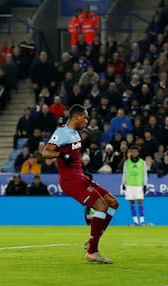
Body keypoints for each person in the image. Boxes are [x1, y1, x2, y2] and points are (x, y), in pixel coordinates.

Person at [43, 104, 119, 264]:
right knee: (101, 207)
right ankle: (92, 251)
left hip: (80, 177)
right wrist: (62, 155)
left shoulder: (75, 133)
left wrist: (82, 172)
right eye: (85, 117)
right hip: (70, 180)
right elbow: (46, 152)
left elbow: (75, 158)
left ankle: (92, 242)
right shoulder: (62, 132)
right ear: (76, 117)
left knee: (113, 202)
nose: (87, 120)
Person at [121, 146, 148, 225]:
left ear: (138, 153)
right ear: (130, 153)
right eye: (132, 152)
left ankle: (142, 221)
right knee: (131, 203)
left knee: (140, 202)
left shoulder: (142, 162)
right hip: (129, 185)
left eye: (135, 152)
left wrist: (145, 185)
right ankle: (135, 221)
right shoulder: (127, 162)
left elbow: (145, 174)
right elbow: (124, 174)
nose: (134, 153)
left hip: (139, 185)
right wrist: (123, 183)